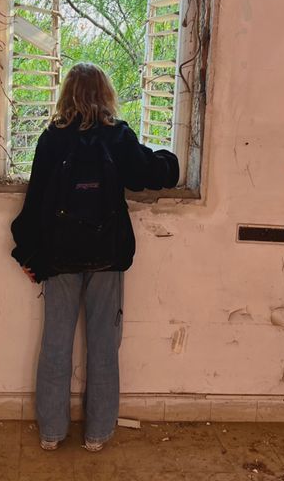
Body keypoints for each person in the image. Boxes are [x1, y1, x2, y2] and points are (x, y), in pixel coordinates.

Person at [11, 62, 179, 451]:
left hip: (58, 257)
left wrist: (28, 252)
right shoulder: (116, 135)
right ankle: (97, 433)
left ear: (66, 94)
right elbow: (149, 175)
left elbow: (36, 202)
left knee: (55, 344)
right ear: (105, 95)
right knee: (104, 346)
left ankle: (52, 433)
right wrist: (170, 159)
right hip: (107, 256)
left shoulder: (51, 139)